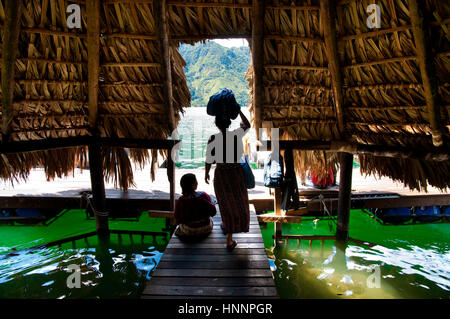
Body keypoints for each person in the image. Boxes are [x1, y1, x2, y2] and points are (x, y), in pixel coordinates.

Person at [205, 109, 251, 250]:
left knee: (225, 204)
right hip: (236, 174)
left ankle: (229, 234)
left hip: (222, 174)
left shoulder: (213, 139)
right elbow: (247, 125)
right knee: (239, 202)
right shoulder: (236, 135)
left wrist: (206, 173)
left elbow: (209, 160)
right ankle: (232, 234)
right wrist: (239, 111)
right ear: (230, 123)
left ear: (217, 124)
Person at [174, 173, 217, 240]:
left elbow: (177, 219)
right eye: (196, 182)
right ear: (194, 185)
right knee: (210, 219)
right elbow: (213, 212)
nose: (197, 183)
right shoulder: (203, 195)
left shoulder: (181, 200)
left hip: (189, 230)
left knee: (179, 228)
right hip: (206, 228)